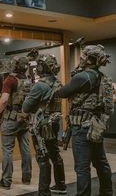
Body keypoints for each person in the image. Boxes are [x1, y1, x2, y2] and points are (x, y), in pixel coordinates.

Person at [57, 44, 113, 196]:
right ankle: (107, 192)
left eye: (83, 56)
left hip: (82, 127)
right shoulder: (100, 76)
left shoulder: (82, 76)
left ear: (89, 59)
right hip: (95, 125)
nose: (80, 58)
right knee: (101, 162)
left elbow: (62, 92)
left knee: (82, 167)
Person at [22, 54, 66, 196]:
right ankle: (61, 185)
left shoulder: (40, 86)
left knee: (43, 157)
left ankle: (44, 192)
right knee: (55, 154)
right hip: (53, 123)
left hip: (41, 125)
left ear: (42, 67)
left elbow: (26, 108)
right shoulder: (57, 82)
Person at [0, 57, 32, 190]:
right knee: (26, 149)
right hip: (25, 117)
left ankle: (6, 181)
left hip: (10, 119)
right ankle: (27, 178)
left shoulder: (10, 80)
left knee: (7, 151)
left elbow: (4, 100)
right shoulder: (28, 79)